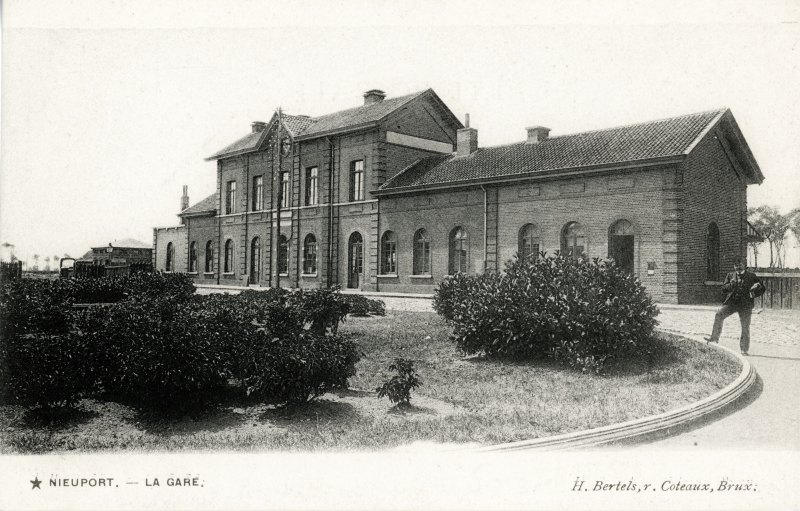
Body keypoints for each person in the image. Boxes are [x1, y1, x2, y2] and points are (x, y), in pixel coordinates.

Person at [705, 256, 765, 355]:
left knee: (745, 326)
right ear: (734, 267)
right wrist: (730, 285)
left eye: (740, 265)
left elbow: (762, 288)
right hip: (732, 303)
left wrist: (754, 292)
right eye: (736, 266)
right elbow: (723, 288)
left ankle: (744, 349)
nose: (738, 268)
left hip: (745, 305)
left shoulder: (752, 276)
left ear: (744, 265)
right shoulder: (730, 275)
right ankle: (714, 339)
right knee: (719, 315)